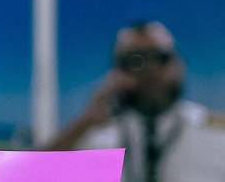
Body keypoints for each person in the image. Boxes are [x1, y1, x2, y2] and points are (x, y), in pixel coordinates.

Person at [47, 21, 225, 182]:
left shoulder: (215, 135)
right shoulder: (98, 142)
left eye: (160, 58)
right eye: (135, 60)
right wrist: (85, 123)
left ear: (179, 65)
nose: (151, 71)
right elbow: (26, 176)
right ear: (116, 72)